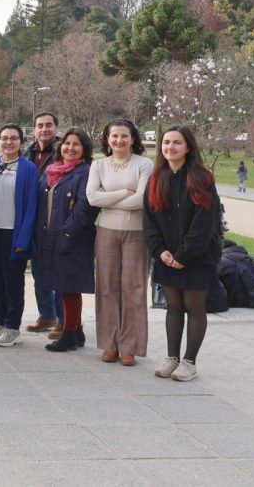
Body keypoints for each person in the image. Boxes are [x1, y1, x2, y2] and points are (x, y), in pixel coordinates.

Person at [144, 126, 221, 382]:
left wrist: (184, 255)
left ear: (188, 146)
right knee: (173, 307)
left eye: (177, 142)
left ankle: (189, 361)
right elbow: (149, 220)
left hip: (197, 257)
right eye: (166, 142)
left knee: (194, 307)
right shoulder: (157, 177)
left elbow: (205, 223)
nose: (170, 147)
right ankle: (172, 358)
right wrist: (160, 252)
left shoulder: (202, 178)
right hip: (166, 256)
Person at [86, 119, 154, 367]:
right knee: (106, 287)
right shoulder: (99, 165)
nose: (119, 140)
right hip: (106, 232)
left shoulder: (144, 164)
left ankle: (130, 347)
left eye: (124, 136)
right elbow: (92, 198)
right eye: (114, 136)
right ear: (107, 139)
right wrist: (124, 193)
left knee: (133, 289)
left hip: (136, 233)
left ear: (133, 138)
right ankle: (109, 343)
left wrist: (109, 199)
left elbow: (141, 201)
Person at [34, 128, 98, 352]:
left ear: (84, 149)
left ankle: (69, 332)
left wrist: (68, 231)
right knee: (61, 283)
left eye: (76, 144)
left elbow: (86, 206)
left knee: (69, 285)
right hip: (50, 235)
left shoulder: (86, 172)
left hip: (73, 237)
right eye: (67, 143)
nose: (70, 148)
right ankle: (76, 331)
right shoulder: (51, 171)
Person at [0, 124, 39, 348]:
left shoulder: (28, 169)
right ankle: (0, 321)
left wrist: (23, 238)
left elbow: (32, 206)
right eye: (4, 138)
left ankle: (13, 326)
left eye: (13, 138)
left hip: (14, 234)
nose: (8, 142)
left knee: (13, 282)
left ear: (21, 142)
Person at [25, 111, 63, 335]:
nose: (44, 129)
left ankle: (62, 319)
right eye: (40, 125)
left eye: (49, 125)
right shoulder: (28, 153)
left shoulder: (63, 151)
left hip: (56, 219)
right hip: (34, 220)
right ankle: (46, 315)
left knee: (58, 273)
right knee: (39, 272)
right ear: (34, 129)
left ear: (56, 128)